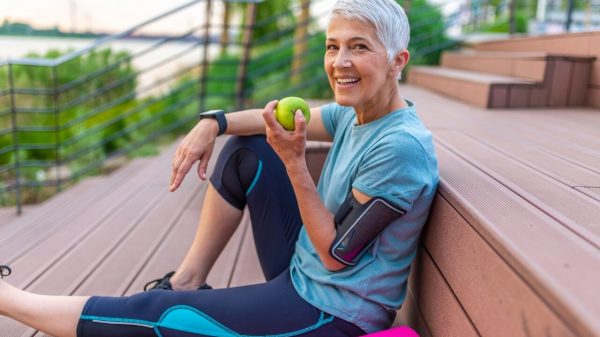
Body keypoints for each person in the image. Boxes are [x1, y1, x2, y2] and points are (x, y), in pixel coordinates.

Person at [0, 0, 438, 336]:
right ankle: (189, 278)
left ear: (398, 60)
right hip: (306, 273)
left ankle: (9, 300)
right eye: (332, 46)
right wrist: (214, 122)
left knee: (161, 316)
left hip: (331, 312)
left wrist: (294, 163)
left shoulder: (400, 149)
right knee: (247, 147)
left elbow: (336, 256)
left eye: (358, 47)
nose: (339, 62)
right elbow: (259, 119)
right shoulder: (358, 112)